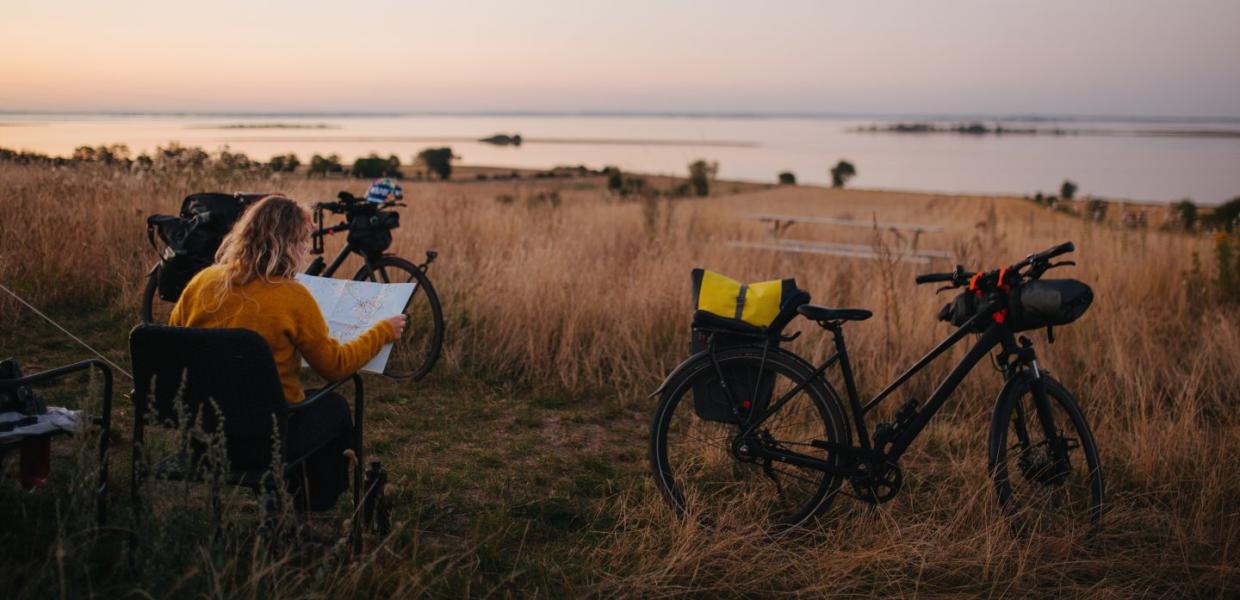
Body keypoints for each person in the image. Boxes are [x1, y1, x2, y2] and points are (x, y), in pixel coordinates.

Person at [169, 195, 406, 512]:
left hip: (206, 435)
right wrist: (383, 331)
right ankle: (308, 504)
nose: (307, 249)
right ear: (290, 244)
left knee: (308, 406)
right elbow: (335, 368)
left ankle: (287, 502)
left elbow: (175, 343)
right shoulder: (292, 296)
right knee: (333, 407)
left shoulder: (201, 282)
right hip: (267, 441)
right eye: (304, 241)